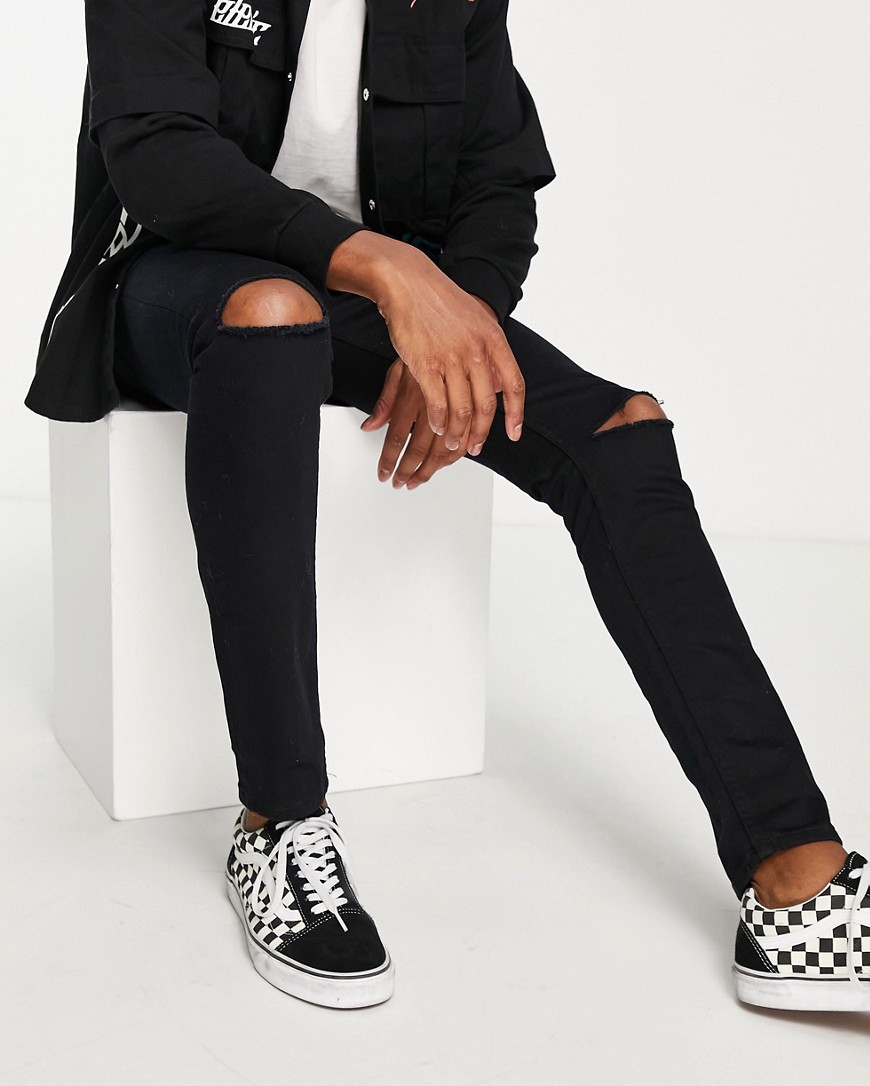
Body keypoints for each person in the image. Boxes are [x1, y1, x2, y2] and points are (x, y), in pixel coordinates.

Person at [26, 0, 868, 1012]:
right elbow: (158, 157)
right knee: (272, 314)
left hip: (375, 305)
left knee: (621, 432)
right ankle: (279, 822)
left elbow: (498, 176)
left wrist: (456, 318)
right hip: (171, 285)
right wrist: (391, 269)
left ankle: (795, 878)